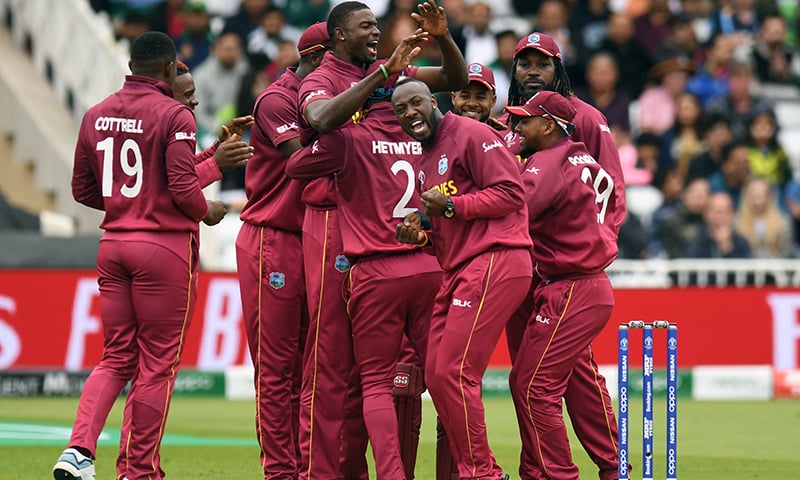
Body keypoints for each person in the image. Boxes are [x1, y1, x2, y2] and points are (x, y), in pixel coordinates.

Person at [295, 2, 468, 479]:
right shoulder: (325, 77)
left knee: (390, 378)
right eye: (365, 26)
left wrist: (445, 38)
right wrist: (382, 75)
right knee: (335, 366)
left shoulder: (388, 77)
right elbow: (320, 119)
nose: (375, 32)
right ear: (338, 36)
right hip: (344, 228)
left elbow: (452, 79)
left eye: (376, 25)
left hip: (382, 245)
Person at [52, 31, 225, 480]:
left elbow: (83, 189)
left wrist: (131, 205)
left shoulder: (96, 113)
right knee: (157, 364)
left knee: (115, 357)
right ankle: (137, 470)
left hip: (113, 246)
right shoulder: (174, 114)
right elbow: (185, 193)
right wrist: (209, 207)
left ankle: (78, 452)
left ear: (132, 65)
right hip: (163, 249)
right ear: (170, 70)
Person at [285, 69, 443, 480]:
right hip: (429, 265)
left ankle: (392, 476)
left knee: (374, 384)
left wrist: (333, 126)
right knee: (446, 381)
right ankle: (472, 468)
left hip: (376, 270)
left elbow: (296, 166)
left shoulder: (348, 138)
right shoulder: (427, 135)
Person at [392, 77, 533, 480]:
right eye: (401, 110)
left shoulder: (471, 134)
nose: (409, 113)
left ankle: (483, 474)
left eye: (416, 103)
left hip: (496, 258)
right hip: (459, 268)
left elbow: (511, 193)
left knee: (454, 372)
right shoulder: (424, 160)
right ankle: (480, 471)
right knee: (438, 374)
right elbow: (448, 233)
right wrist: (422, 234)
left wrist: (452, 205)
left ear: (434, 102)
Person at [506, 31, 626, 479]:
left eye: (542, 62)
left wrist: (594, 250)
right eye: (524, 63)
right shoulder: (514, 119)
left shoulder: (585, 119)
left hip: (564, 274)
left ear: (559, 68)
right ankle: (538, 469)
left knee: (558, 377)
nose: (532, 70)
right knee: (529, 377)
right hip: (524, 270)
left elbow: (612, 190)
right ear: (514, 69)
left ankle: (609, 465)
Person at [233, 22, 335, 480]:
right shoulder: (278, 98)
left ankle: (308, 467)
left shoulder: (331, 95)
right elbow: (301, 160)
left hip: (316, 234)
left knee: (313, 367)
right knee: (277, 369)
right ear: (317, 56)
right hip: (272, 236)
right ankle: (281, 471)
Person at [172, 60, 255, 191]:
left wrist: (218, 147)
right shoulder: (162, 124)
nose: (195, 101)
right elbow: (180, 186)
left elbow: (185, 168)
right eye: (187, 95)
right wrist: (216, 164)